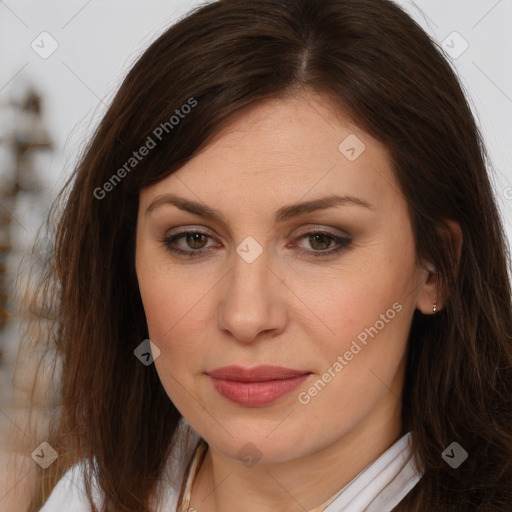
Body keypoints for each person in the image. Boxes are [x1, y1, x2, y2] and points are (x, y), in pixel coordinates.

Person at [27, 0, 512, 510]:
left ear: (435, 268)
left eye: (320, 240)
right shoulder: (81, 498)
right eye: (193, 239)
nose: (245, 316)